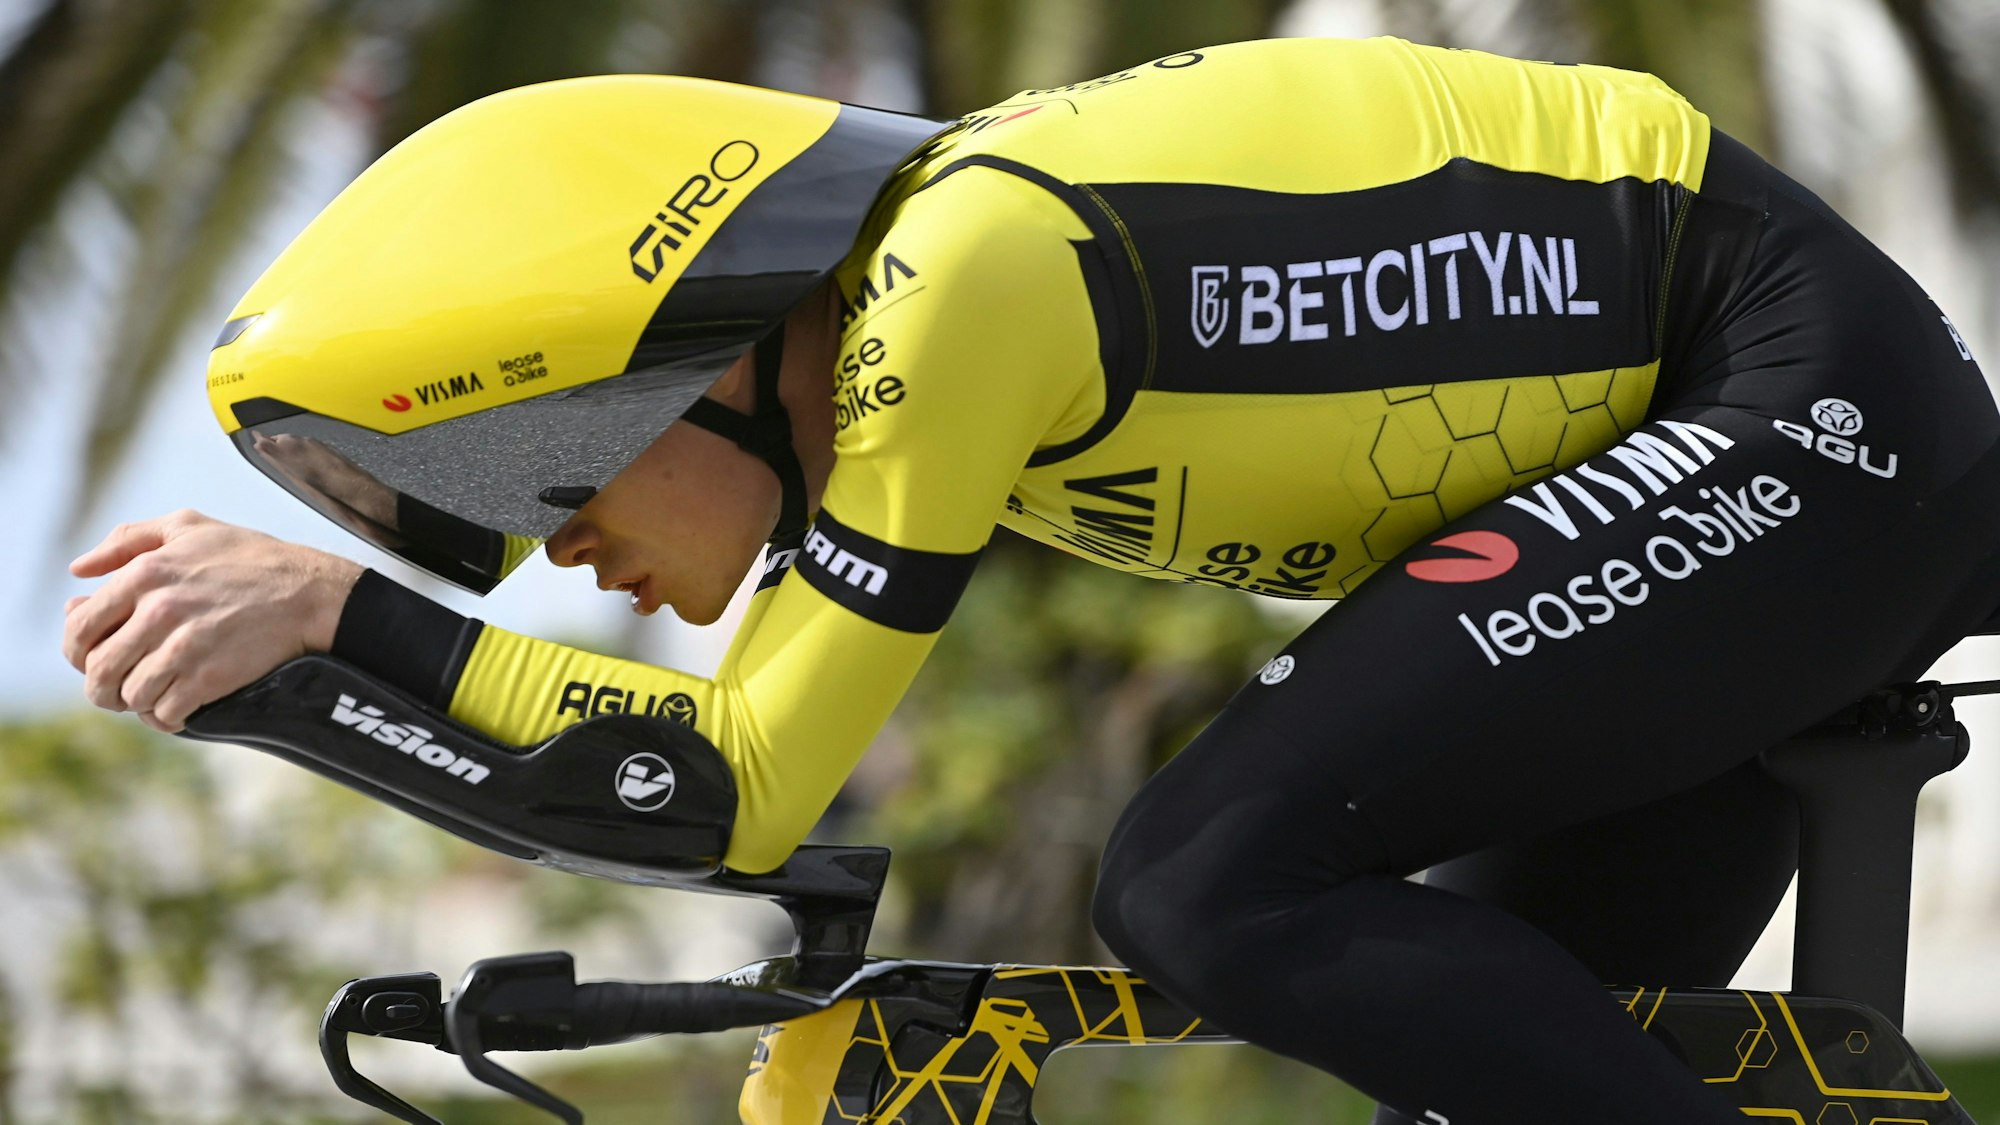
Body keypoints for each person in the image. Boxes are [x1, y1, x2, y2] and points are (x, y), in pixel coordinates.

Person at [61, 37, 2000, 1125]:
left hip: (1783, 381)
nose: (560, 549)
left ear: (679, 350)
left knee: (1199, 879)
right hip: (1705, 446)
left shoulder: (958, 279)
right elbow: (696, 807)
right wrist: (318, 674)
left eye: (540, 473)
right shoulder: (944, 313)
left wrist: (340, 626)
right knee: (1495, 1063)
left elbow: (738, 782)